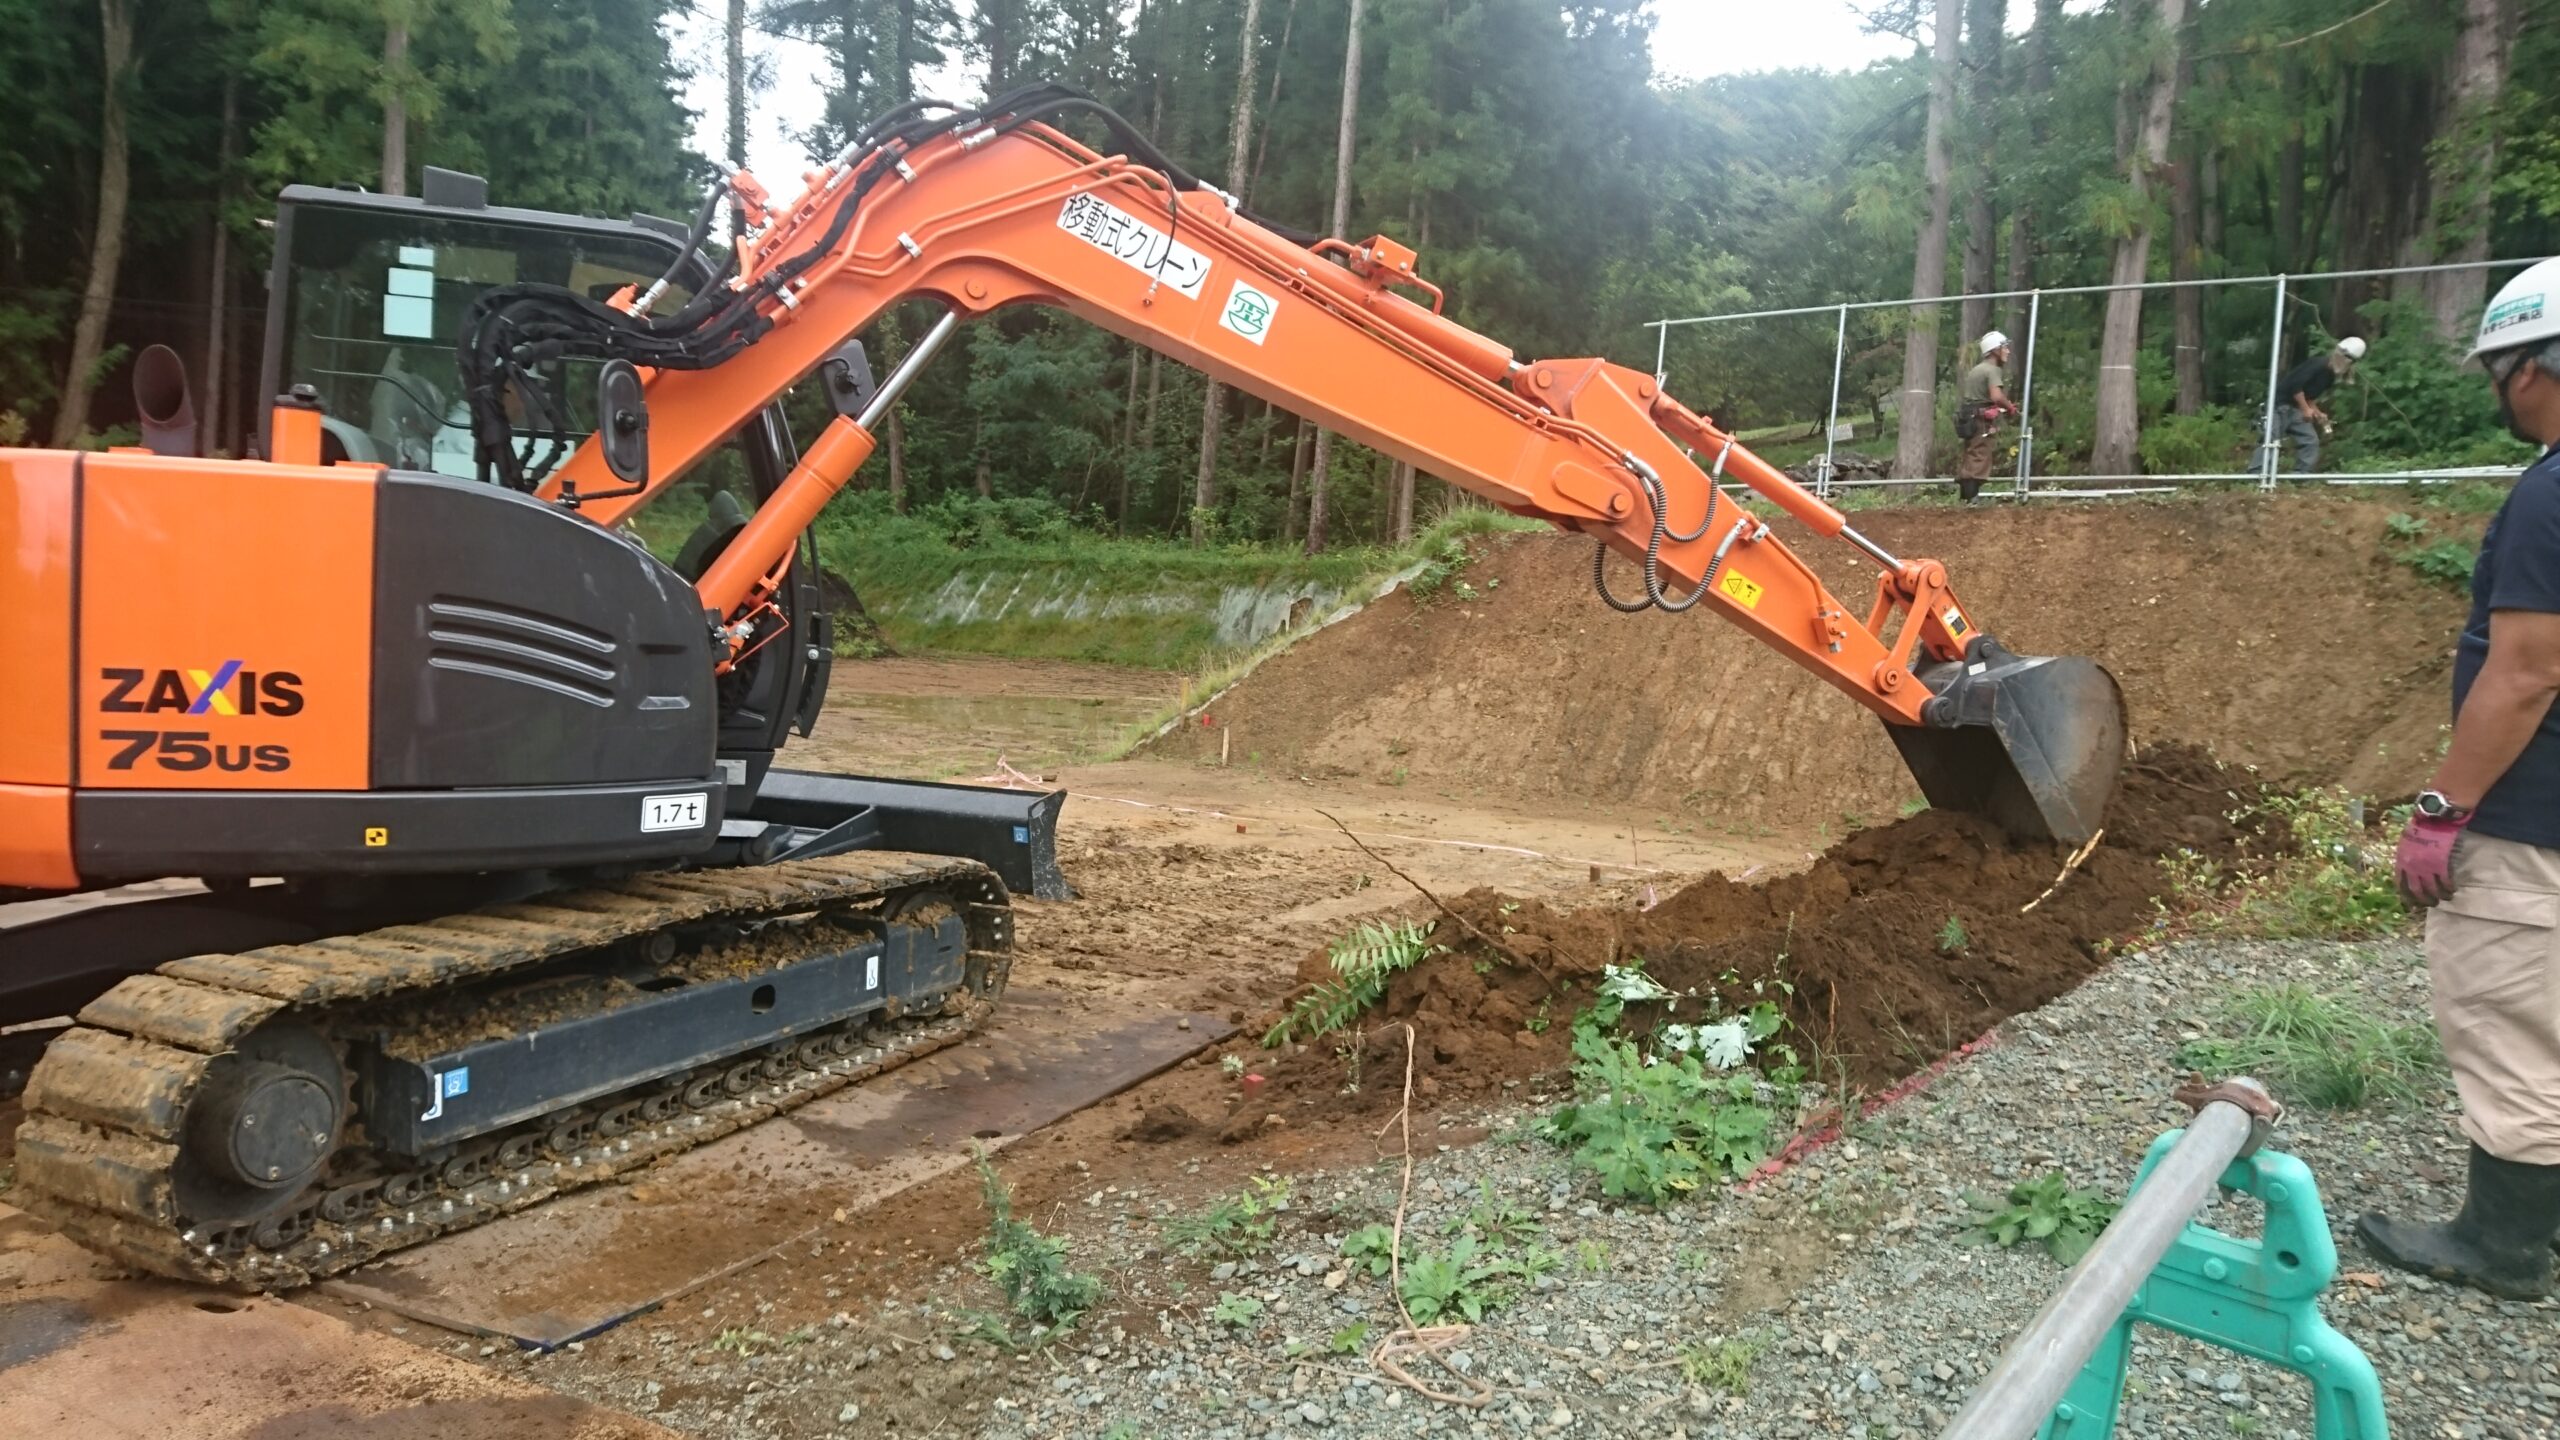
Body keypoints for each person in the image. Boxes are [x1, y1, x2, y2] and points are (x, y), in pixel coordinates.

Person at [2361, 256, 2560, 1301]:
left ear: (2533, 367)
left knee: (2508, 1015)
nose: (2499, 389)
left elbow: (2525, 671)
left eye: (2500, 369)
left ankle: (2503, 1246)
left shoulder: (2550, 495)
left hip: (2534, 820)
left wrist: (2440, 811)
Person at [2271, 335, 2366, 475]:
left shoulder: (2330, 376)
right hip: (2280, 406)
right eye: (2346, 357)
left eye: (2351, 360)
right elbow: (2296, 388)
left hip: (2296, 409)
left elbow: (2310, 397)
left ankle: (2300, 476)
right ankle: (2256, 475)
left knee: (2310, 441)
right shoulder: (2318, 364)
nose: (2347, 362)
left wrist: (2317, 412)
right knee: (2270, 442)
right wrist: (2305, 409)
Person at [1953, 330, 2016, 502]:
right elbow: (1996, 396)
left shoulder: (1976, 370)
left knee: (1971, 453)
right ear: (1995, 350)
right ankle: (1972, 499)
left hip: (1968, 417)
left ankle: (1966, 497)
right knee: (1980, 454)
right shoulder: (1992, 370)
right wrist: (2009, 407)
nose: (2008, 351)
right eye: (2005, 347)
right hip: (1980, 420)